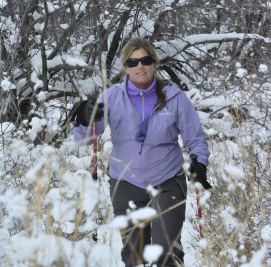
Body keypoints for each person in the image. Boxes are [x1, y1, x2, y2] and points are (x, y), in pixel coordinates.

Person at [72, 37, 211, 267]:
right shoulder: (112, 98)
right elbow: (85, 139)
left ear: (154, 63)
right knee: (134, 256)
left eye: (145, 60)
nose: (140, 66)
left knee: (167, 252)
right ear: (125, 67)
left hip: (168, 180)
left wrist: (200, 162)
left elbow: (195, 137)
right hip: (125, 182)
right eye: (132, 62)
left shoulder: (174, 97)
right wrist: (86, 119)